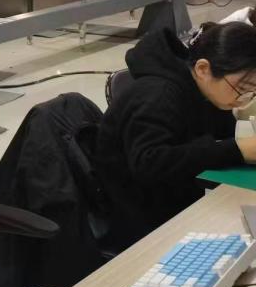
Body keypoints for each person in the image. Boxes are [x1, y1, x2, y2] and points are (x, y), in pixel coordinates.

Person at [95, 21, 256, 249]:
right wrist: (238, 149)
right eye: (243, 89)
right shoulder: (157, 96)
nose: (245, 99)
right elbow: (150, 163)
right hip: (144, 219)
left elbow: (221, 135)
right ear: (203, 69)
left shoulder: (209, 91)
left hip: (182, 196)